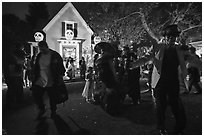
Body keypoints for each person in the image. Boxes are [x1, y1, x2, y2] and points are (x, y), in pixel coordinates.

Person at [132, 24, 188, 134]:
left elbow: (191, 59)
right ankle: (161, 127)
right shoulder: (158, 47)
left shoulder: (179, 49)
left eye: (174, 37)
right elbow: (146, 58)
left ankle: (179, 127)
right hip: (160, 83)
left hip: (174, 82)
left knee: (176, 105)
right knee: (160, 106)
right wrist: (133, 64)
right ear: (165, 37)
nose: (172, 39)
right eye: (170, 37)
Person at [31, 41, 66, 119]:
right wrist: (34, 76)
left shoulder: (55, 55)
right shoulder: (39, 55)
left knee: (52, 97)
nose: (42, 51)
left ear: (46, 47)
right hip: (40, 79)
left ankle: (53, 111)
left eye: (43, 49)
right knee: (37, 95)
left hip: (52, 80)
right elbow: (36, 67)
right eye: (40, 49)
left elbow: (60, 67)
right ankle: (42, 108)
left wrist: (60, 78)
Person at [95, 42, 121, 116]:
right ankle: (110, 106)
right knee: (109, 90)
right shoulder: (106, 58)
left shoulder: (101, 58)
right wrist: (115, 77)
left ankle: (107, 105)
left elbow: (111, 68)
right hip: (107, 76)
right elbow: (112, 68)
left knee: (107, 90)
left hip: (105, 76)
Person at [4, 42, 26, 107]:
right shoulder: (19, 53)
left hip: (10, 74)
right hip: (16, 74)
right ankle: (17, 102)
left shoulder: (9, 55)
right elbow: (20, 62)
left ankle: (10, 102)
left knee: (11, 89)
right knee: (17, 88)